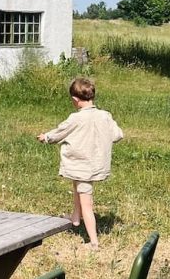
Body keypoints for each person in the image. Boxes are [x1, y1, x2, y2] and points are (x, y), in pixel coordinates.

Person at [37, 76, 123, 250]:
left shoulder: (76, 119)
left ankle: (93, 242)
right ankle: (75, 219)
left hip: (83, 166)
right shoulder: (105, 116)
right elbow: (118, 135)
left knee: (87, 204)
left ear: (75, 100)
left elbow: (60, 132)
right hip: (95, 164)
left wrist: (46, 137)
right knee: (77, 187)